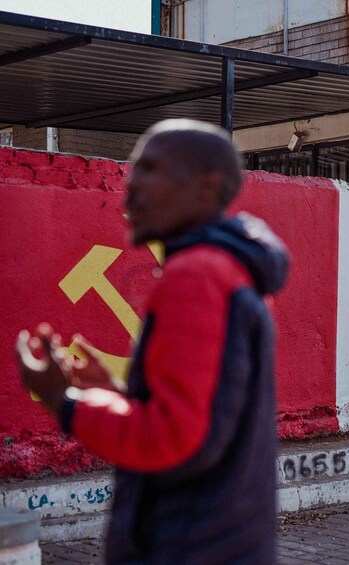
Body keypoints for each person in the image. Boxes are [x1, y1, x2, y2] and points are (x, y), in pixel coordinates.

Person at [15, 119, 289, 563]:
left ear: (206, 187)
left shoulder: (195, 277)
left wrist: (62, 401)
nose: (130, 187)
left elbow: (175, 443)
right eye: (132, 169)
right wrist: (114, 394)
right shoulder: (232, 273)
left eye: (151, 170)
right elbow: (201, 418)